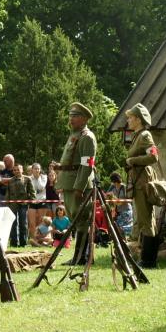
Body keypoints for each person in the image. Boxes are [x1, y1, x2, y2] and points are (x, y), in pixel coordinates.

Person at [54, 102, 97, 262]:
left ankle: (81, 257)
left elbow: (87, 165)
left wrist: (79, 187)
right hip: (69, 183)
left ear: (84, 119)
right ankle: (81, 256)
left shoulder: (86, 137)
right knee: (76, 219)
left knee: (82, 220)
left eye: (75, 116)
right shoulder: (75, 135)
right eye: (70, 115)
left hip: (78, 185)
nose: (70, 119)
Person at [125, 103, 164, 268]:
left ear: (138, 119)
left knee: (146, 220)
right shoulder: (137, 135)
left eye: (130, 117)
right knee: (144, 220)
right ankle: (148, 259)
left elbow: (154, 157)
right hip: (137, 181)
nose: (128, 120)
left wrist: (132, 161)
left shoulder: (145, 135)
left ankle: (148, 261)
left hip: (143, 182)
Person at [0, 154, 32, 247]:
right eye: (15, 170)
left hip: (23, 204)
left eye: (18, 169)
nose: (16, 171)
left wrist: (31, 200)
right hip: (12, 204)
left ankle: (23, 243)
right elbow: (8, 193)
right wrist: (7, 201)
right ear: (13, 171)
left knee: (23, 223)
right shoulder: (11, 180)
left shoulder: (27, 179)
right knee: (13, 223)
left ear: (22, 170)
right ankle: (14, 242)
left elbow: (31, 191)